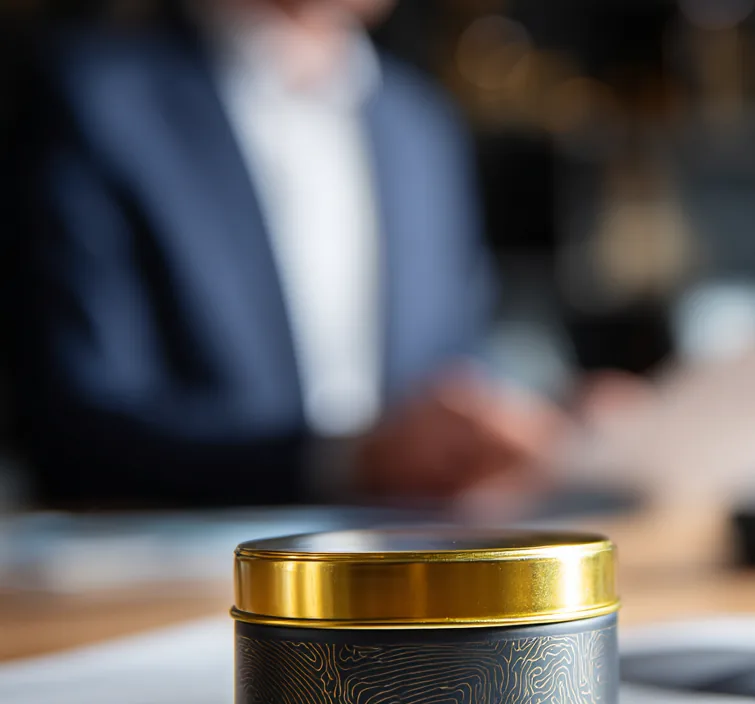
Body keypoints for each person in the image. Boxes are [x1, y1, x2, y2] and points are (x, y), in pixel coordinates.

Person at [4, 0, 557, 506]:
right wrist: (345, 461)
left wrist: (535, 417)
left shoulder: (417, 121)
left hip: (408, 572)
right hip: (179, 581)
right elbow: (77, 424)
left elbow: (455, 359)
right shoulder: (97, 99)